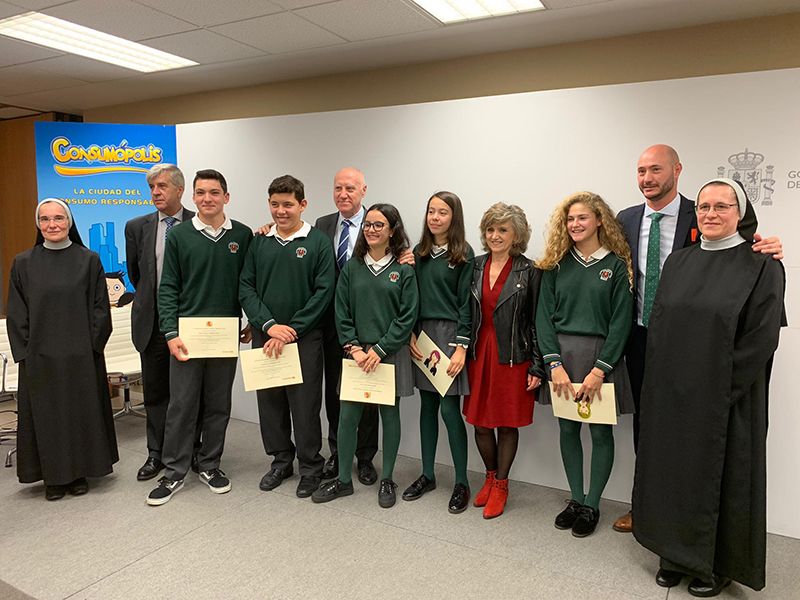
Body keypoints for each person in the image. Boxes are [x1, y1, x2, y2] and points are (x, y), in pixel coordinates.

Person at [612, 144, 784, 533]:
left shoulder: (703, 211)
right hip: (641, 339)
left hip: (696, 346)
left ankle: (692, 517)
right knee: (649, 426)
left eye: (656, 170)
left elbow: (738, 253)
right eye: (641, 171)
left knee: (695, 433)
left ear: (677, 170)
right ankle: (647, 505)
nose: (647, 179)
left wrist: (769, 246)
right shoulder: (624, 219)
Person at [632, 179, 785, 597]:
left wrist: (718, 389)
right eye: (703, 206)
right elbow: (660, 328)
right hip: (675, 394)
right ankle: (672, 554)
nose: (711, 214)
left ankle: (715, 566)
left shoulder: (763, 264)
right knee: (672, 472)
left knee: (722, 477)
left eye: (722, 206)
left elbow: (761, 337)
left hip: (727, 398)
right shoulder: (679, 262)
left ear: (740, 212)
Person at [146, 169, 252, 506]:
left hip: (224, 335)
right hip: (188, 337)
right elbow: (169, 288)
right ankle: (174, 470)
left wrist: (248, 321)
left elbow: (249, 283)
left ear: (226, 197)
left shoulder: (243, 235)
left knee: (219, 404)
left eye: (215, 192)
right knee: (182, 404)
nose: (208, 198)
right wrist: (171, 332)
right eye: (201, 193)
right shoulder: (179, 236)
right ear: (193, 197)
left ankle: (209, 464)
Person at [536, 192, 634, 538]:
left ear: (599, 221)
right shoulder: (555, 265)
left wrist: (599, 370)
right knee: (567, 429)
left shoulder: (617, 266)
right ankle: (575, 498)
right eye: (570, 219)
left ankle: (593, 503)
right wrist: (554, 365)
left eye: (582, 218)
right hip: (562, 359)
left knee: (599, 431)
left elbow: (622, 322)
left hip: (601, 360)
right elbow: (543, 319)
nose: (575, 225)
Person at [6, 198, 118, 500]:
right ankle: (52, 478)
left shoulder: (89, 259)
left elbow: (99, 310)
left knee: (81, 414)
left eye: (58, 218)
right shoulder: (23, 263)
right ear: (38, 224)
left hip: (82, 355)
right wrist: (26, 354)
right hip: (39, 357)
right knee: (48, 417)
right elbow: (17, 314)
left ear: (69, 222)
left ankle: (80, 473)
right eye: (45, 219)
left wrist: (93, 347)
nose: (52, 224)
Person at [312, 203, 418, 508]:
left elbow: (407, 315)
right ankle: (344, 480)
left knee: (389, 416)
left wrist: (381, 349)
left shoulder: (403, 269)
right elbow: (341, 310)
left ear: (393, 230)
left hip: (390, 354)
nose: (371, 230)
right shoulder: (352, 267)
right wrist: (355, 348)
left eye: (379, 225)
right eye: (368, 225)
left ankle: (388, 479)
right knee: (348, 417)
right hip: (356, 355)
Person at [239, 175, 335, 498]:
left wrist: (291, 329)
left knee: (305, 404)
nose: (281, 211)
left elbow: (324, 293)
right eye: (275, 204)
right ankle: (281, 460)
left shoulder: (318, 242)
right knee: (270, 402)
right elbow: (246, 287)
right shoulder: (259, 242)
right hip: (265, 336)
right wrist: (268, 325)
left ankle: (311, 466)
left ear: (302, 205)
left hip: (304, 337)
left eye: (288, 205)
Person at [463, 202, 543, 520]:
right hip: (479, 353)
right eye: (491, 229)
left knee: (507, 424)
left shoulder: (529, 270)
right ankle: (489, 476)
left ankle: (502, 485)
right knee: (481, 424)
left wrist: (538, 365)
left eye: (503, 230)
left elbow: (538, 320)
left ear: (516, 234)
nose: (495, 235)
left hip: (513, 355)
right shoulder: (475, 266)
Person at [125, 164, 199, 481]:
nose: (156, 192)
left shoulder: (199, 224)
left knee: (189, 394)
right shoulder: (136, 226)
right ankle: (156, 454)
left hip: (189, 324)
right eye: (152, 187)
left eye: (162, 186)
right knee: (155, 393)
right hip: (151, 322)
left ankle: (192, 450)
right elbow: (137, 274)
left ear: (179, 190)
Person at [403, 191, 473, 514]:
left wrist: (461, 346)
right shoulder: (418, 253)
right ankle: (427, 474)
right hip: (422, 336)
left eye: (442, 212)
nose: (435, 217)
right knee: (426, 407)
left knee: (449, 410)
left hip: (449, 338)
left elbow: (466, 305)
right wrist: (411, 333)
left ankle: (462, 481)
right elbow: (411, 297)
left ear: (453, 217)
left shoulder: (463, 254)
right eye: (431, 211)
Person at [313, 168, 379, 486]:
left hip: (366, 325)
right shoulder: (323, 225)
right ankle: (338, 452)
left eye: (350, 188)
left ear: (363, 190)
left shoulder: (377, 223)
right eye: (338, 187)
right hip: (329, 325)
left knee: (366, 395)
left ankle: (365, 458)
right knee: (335, 392)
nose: (343, 194)